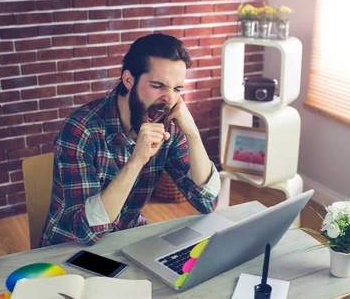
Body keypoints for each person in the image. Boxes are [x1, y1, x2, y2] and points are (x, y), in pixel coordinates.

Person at [39, 33, 220, 247]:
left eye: (177, 89)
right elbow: (86, 231)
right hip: (70, 249)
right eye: (158, 86)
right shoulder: (81, 129)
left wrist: (193, 134)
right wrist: (136, 162)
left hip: (127, 240)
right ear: (128, 80)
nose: (170, 98)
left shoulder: (168, 123)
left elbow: (206, 202)